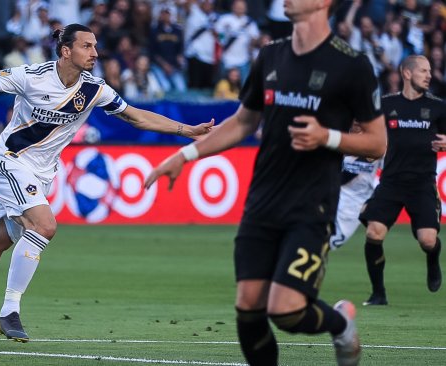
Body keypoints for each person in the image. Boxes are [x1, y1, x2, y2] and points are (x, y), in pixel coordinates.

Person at [0, 23, 214, 345]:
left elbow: (137, 116)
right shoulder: (30, 76)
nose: (95, 53)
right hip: (9, 163)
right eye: (87, 46)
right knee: (44, 225)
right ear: (66, 50)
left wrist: (187, 130)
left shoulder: (94, 89)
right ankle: (9, 311)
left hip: (39, 176)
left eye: (96, 46)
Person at [144, 0, 386, 364]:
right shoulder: (271, 55)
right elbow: (243, 121)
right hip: (262, 201)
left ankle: (340, 323)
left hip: (312, 204)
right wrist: (184, 155)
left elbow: (377, 142)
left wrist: (328, 138)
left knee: (286, 310)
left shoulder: (352, 64)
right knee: (249, 307)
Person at [359, 55, 446, 306]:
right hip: (391, 182)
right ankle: (378, 294)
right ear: (406, 74)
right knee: (374, 234)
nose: (429, 75)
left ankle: (432, 258)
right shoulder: (386, 104)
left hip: (422, 184)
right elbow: (366, 131)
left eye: (430, 70)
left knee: (427, 240)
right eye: (423, 70)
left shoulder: (438, 106)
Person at [329, 123, 382, 250]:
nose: (357, 123)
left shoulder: (377, 144)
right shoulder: (335, 136)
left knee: (330, 243)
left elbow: (393, 171)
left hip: (352, 205)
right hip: (326, 196)